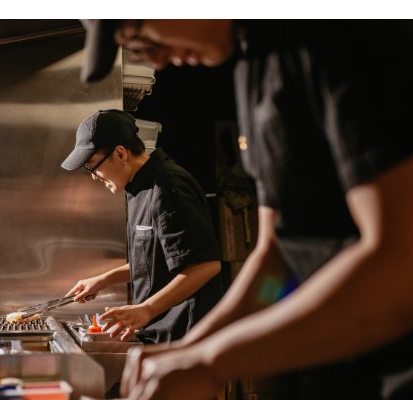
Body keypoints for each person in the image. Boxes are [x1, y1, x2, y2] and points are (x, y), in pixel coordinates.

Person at [80, 20, 413, 399]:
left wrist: (210, 360)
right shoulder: (253, 69)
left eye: (139, 38)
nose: (155, 58)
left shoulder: (341, 36)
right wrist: (187, 351)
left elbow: (400, 262)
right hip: (330, 369)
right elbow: (278, 260)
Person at [62, 109, 223, 343]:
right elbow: (155, 261)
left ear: (120, 153)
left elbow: (205, 266)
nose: (94, 176)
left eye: (93, 165)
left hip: (186, 336)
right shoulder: (137, 187)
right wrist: (102, 280)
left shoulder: (167, 186)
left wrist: (147, 308)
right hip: (160, 334)